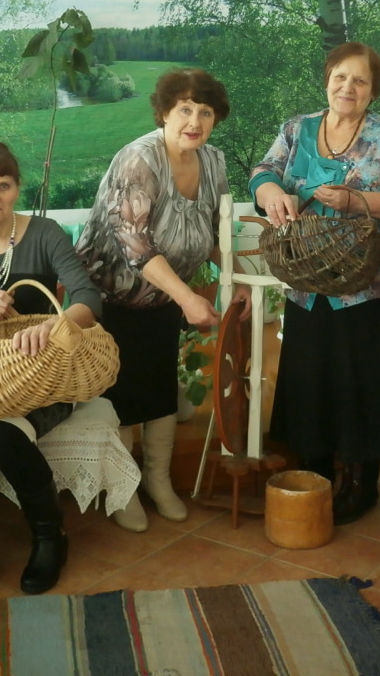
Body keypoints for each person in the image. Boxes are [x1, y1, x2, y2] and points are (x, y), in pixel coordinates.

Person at [250, 42, 380, 525]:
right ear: (327, 78)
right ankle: (316, 477)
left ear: (373, 92)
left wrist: (358, 202)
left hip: (373, 287)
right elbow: (264, 172)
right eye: (340, 77)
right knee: (314, 382)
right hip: (308, 283)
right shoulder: (296, 129)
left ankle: (363, 485)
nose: (348, 87)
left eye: (360, 81)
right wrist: (270, 193)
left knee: (363, 383)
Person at [74, 68, 250, 532]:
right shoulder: (139, 160)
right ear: (165, 113)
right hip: (111, 295)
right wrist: (189, 298)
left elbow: (216, 234)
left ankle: (157, 479)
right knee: (120, 393)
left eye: (205, 111)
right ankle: (122, 486)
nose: (195, 120)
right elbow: (133, 245)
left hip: (165, 295)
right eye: (185, 109)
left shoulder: (213, 161)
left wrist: (241, 278)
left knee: (157, 385)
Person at [0, 142, 102, 597]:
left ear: (16, 189)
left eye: (3, 185)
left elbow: (89, 299)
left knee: (5, 435)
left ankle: (50, 537)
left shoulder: (45, 233)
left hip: (45, 377)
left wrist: (55, 324)